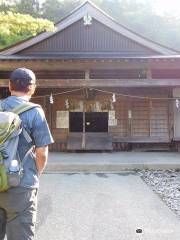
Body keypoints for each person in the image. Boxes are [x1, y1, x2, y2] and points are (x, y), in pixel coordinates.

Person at [0, 68, 54, 240]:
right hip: (21, 184)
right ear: (32, 88)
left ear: (9, 86)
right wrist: (36, 174)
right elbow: (42, 152)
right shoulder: (35, 111)